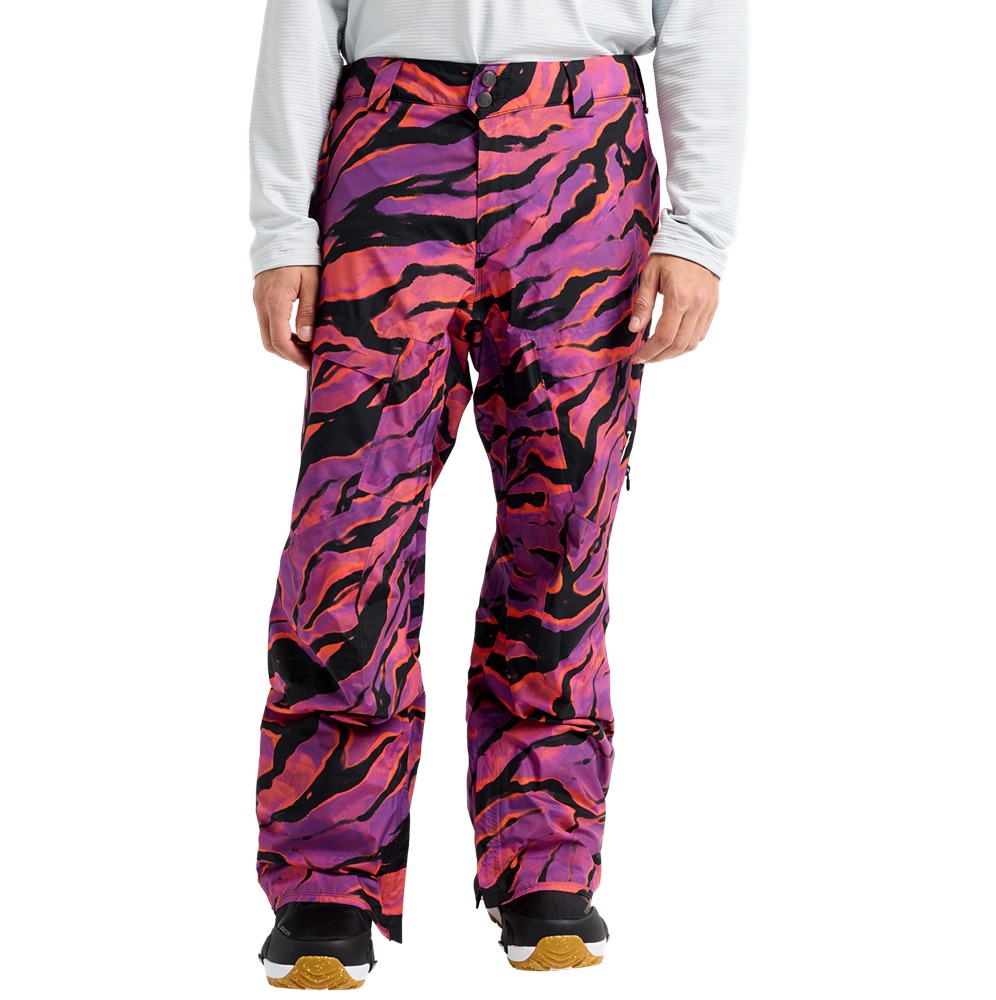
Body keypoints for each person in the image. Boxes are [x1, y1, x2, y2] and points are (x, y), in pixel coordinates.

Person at [248, 0, 748, 987]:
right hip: (390, 145)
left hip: (584, 155)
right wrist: (280, 232)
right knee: (349, 525)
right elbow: (304, 16)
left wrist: (698, 233)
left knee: (563, 514)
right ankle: (325, 874)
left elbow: (703, 23)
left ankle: (546, 859)